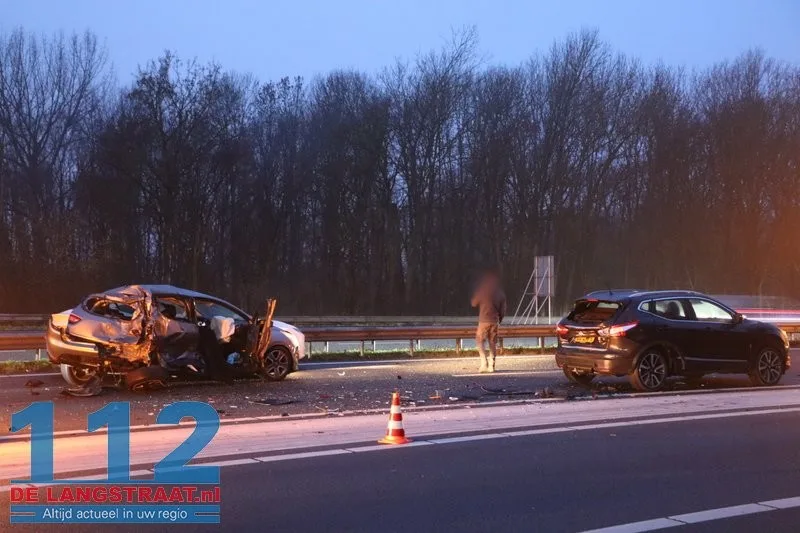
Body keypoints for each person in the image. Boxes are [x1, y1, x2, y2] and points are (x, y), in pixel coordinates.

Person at [471, 269, 507, 373]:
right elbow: (503, 309)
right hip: (494, 321)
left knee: (480, 340)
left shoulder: (483, 290)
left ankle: (484, 363)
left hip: (483, 321)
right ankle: (492, 365)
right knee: (492, 343)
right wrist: (500, 319)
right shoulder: (500, 293)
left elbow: (474, 303)